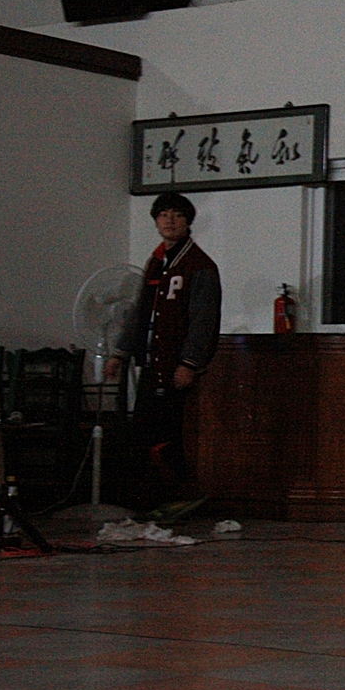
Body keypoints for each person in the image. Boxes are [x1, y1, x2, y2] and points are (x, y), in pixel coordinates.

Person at [106, 192, 221, 518]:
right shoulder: (156, 262)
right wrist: (119, 353)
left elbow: (203, 321)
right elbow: (140, 312)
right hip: (150, 365)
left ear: (187, 222)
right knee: (144, 433)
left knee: (168, 435)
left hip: (174, 369)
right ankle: (150, 501)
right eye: (163, 214)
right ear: (156, 221)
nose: (170, 220)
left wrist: (189, 363)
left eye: (177, 215)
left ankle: (178, 496)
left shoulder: (200, 266)